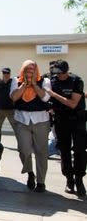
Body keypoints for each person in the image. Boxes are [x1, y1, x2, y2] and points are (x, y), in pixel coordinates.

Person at [10, 60, 51, 193]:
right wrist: (24, 85)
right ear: (23, 70)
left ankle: (41, 182)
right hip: (22, 119)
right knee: (23, 149)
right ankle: (30, 173)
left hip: (41, 120)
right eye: (27, 69)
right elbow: (14, 97)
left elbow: (45, 98)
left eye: (32, 70)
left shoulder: (44, 81)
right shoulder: (16, 81)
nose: (30, 72)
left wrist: (34, 84)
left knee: (41, 152)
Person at [46, 60, 86, 196]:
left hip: (77, 120)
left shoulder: (76, 80)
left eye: (61, 73)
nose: (58, 76)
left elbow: (73, 104)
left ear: (67, 71)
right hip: (61, 121)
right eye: (56, 73)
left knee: (80, 150)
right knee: (64, 151)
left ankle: (79, 180)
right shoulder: (52, 80)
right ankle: (69, 180)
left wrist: (54, 94)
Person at [0, 67, 17, 141]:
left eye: (7, 73)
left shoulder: (13, 82)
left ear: (10, 74)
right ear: (2, 73)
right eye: (4, 73)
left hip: (11, 110)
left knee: (16, 127)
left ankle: (21, 144)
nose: (6, 74)